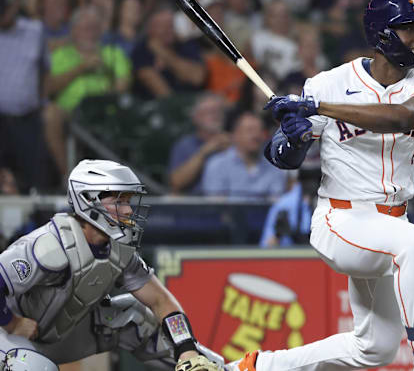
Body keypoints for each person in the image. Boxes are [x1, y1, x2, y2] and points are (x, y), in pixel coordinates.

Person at [229, 0, 414, 371]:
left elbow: (402, 117)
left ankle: (252, 368)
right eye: (409, 27)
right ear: (382, 34)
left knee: (374, 348)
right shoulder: (328, 83)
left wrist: (315, 108)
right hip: (341, 220)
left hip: (389, 224)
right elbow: (281, 158)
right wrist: (294, 137)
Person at [0, 159, 223, 371]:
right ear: (88, 200)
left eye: (127, 201)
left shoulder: (119, 249)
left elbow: (160, 301)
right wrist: (12, 323)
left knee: (136, 318)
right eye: (119, 201)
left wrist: (187, 350)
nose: (128, 210)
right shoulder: (49, 246)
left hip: (52, 334)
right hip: (9, 337)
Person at [45, 5, 132, 179]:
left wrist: (109, 79)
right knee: (49, 114)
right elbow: (48, 88)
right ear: (74, 31)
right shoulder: (59, 55)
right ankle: (67, 176)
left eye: (95, 28)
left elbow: (124, 84)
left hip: (105, 110)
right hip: (69, 112)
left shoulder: (112, 53)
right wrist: (81, 68)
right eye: (85, 28)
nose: (90, 33)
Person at [0, 0, 52, 193]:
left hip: (27, 119)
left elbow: (45, 70)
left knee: (33, 183)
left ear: (14, 6)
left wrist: (42, 102)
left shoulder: (35, 31)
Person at [201, 112, 289, 200]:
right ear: (235, 135)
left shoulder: (274, 166)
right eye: (250, 130)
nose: (256, 135)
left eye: (260, 131)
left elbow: (275, 203)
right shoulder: (217, 165)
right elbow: (215, 206)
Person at [131, 7, 206, 100]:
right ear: (150, 29)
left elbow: (197, 78)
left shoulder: (186, 45)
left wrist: (163, 53)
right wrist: (181, 70)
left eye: (171, 25)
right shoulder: (141, 51)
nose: (168, 29)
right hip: (159, 106)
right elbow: (162, 92)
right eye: (162, 25)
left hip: (194, 102)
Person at [168, 93, 230, 194]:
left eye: (218, 111)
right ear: (195, 117)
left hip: (231, 202)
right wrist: (204, 152)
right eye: (209, 112)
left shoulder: (235, 143)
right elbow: (176, 182)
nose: (215, 116)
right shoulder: (185, 145)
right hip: (195, 203)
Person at [260, 164, 321, 247]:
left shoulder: (329, 204)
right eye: (305, 178)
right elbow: (266, 246)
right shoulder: (283, 204)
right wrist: (278, 235)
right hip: (289, 256)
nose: (310, 184)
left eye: (315, 178)